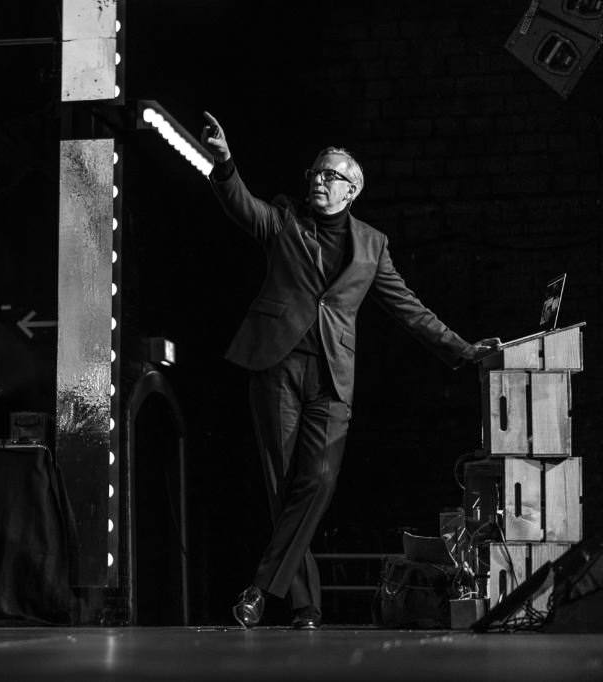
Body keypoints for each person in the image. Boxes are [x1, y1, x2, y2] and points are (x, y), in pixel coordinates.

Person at [200, 111, 499, 630]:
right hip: (277, 365)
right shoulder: (284, 219)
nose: (319, 180)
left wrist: (464, 349)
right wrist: (225, 164)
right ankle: (306, 607)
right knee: (283, 487)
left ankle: (259, 588)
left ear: (352, 189)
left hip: (333, 379)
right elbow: (241, 206)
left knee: (317, 481)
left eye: (331, 174)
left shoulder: (372, 245)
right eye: (315, 172)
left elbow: (409, 308)